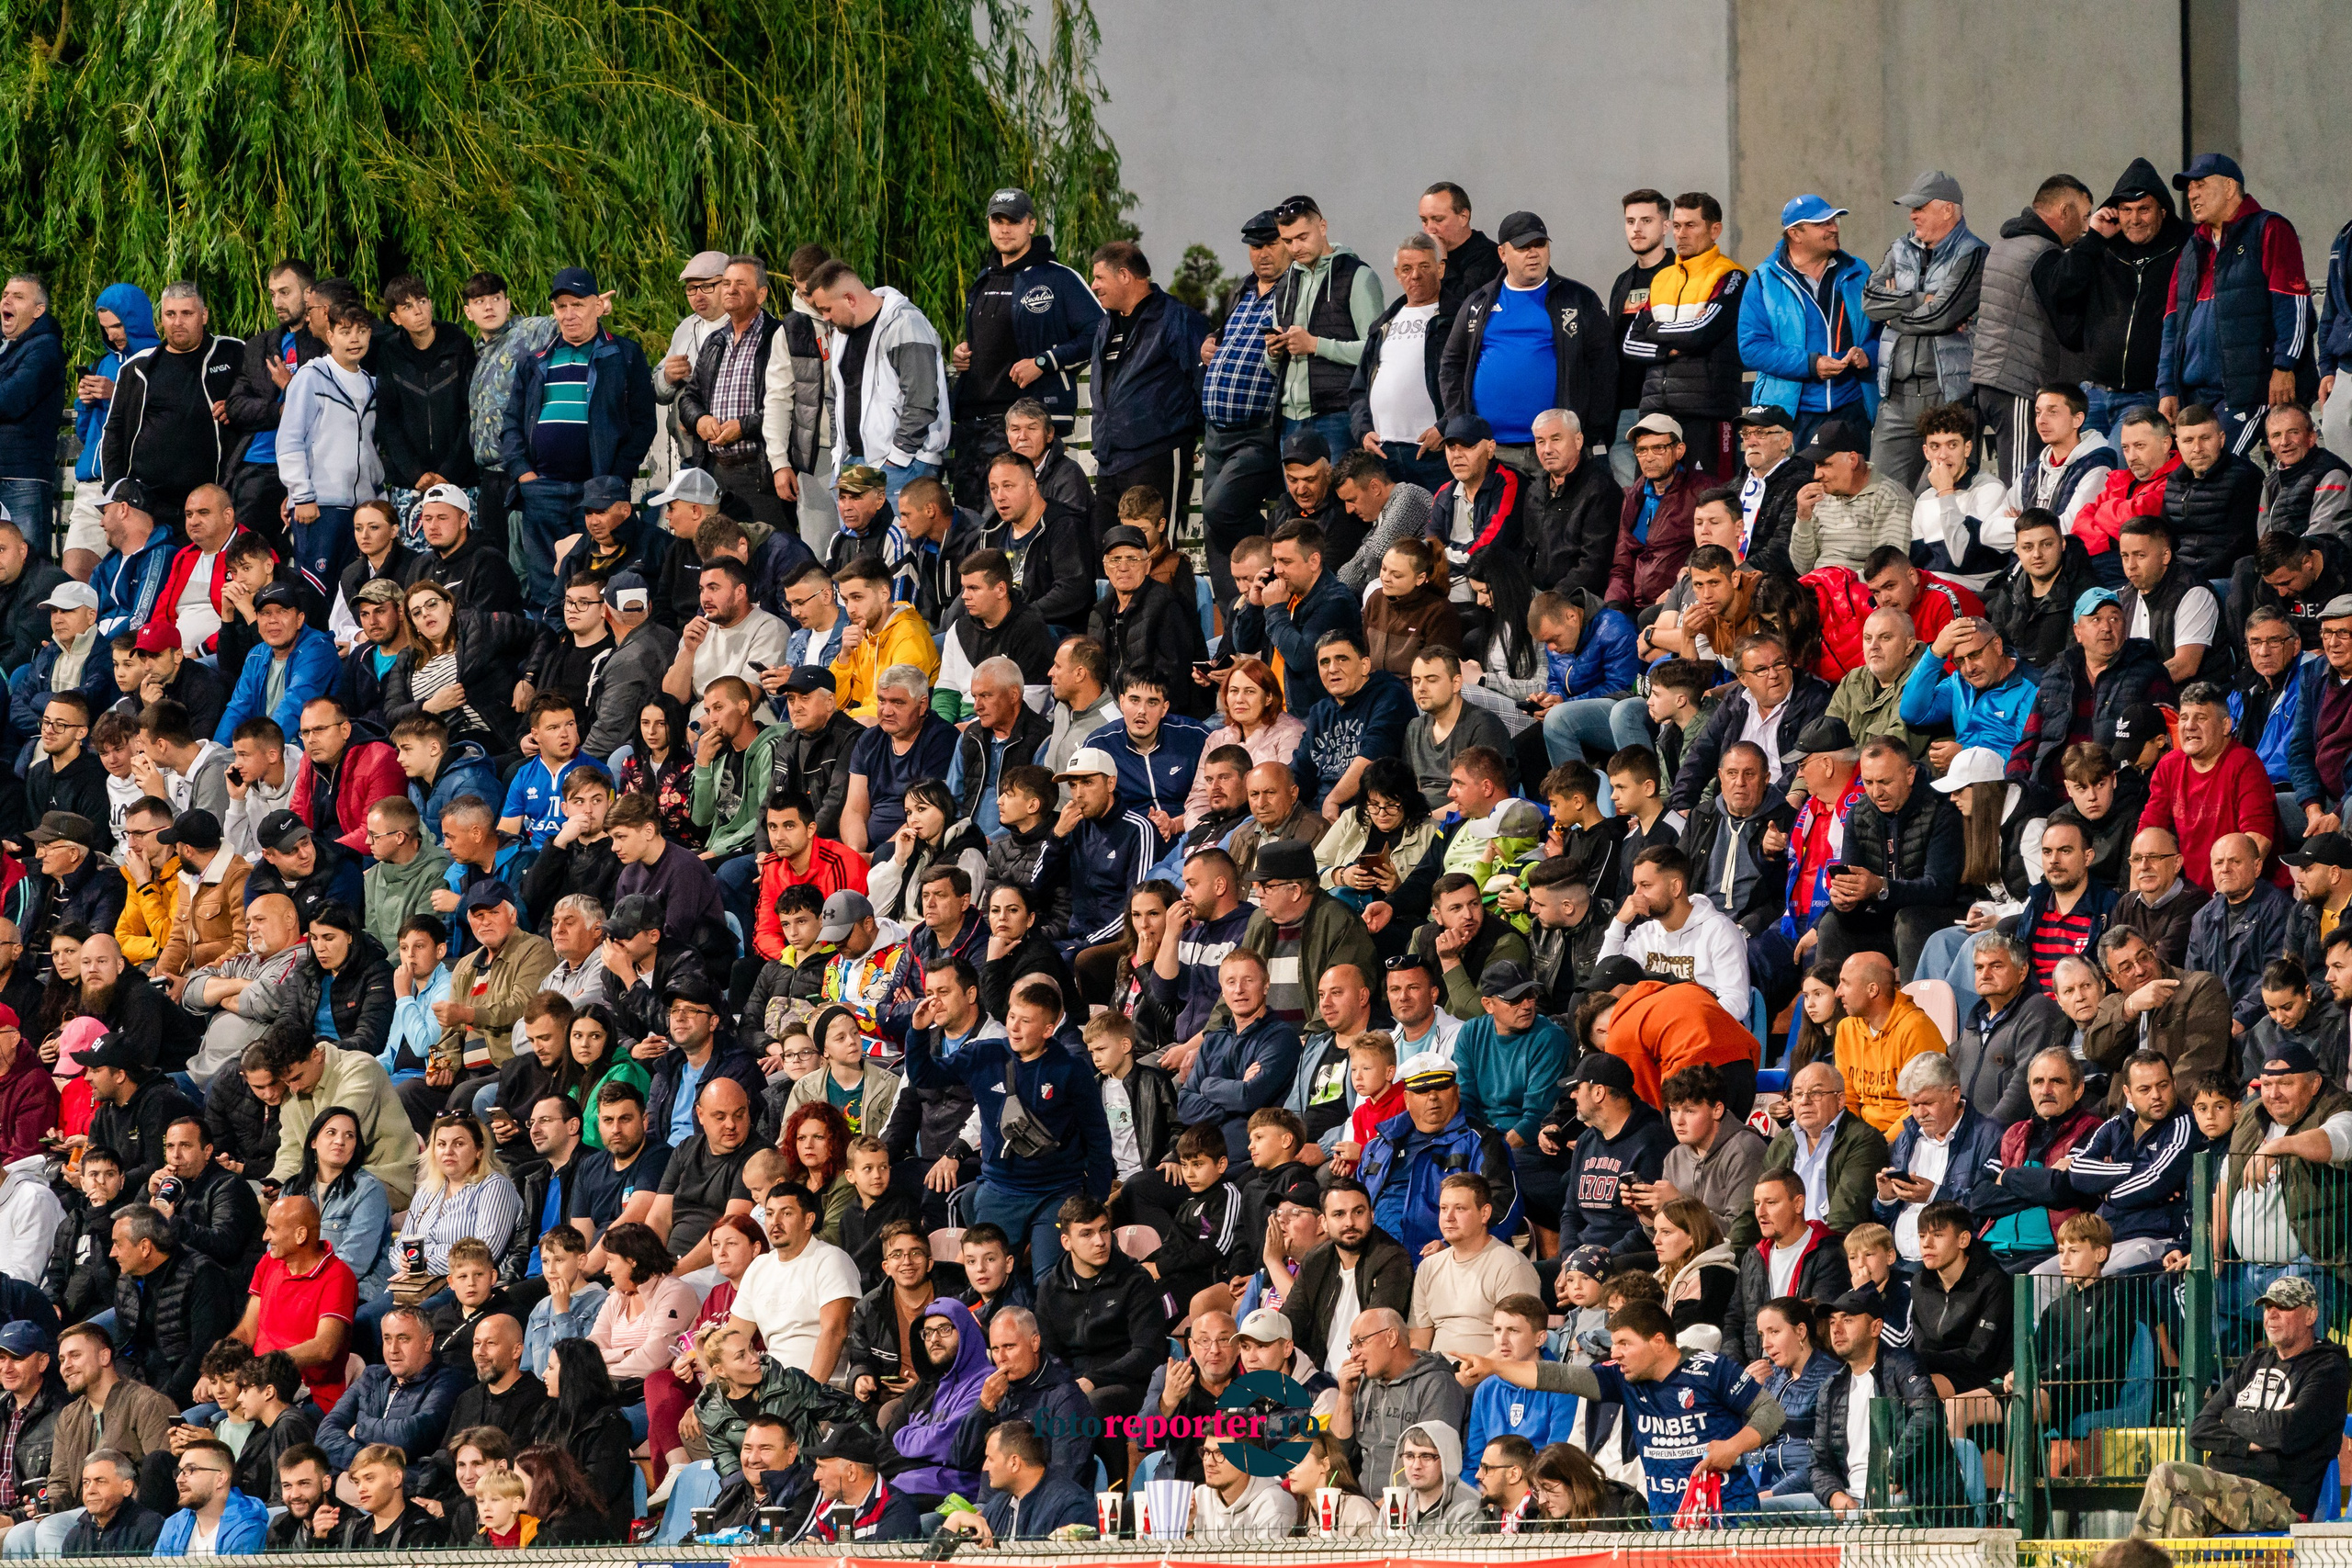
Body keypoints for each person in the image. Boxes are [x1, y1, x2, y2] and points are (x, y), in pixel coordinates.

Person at [2133, 1274, 2349, 1538]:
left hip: (2279, 1499)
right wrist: (2248, 1441)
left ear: (2310, 1316)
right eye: (2268, 1307)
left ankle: (2129, 1559)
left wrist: (2231, 1415)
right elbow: (2199, 1429)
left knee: (2167, 1474)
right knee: (2183, 1509)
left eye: (2284, 1306)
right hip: (2227, 1488)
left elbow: (2285, 1432)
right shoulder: (2253, 1363)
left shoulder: (2327, 1369)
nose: (2272, 1315)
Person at [1437, 209, 1614, 463]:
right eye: (1522, 247)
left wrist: (1589, 431)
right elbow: (1451, 364)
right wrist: (1461, 422)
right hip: (1492, 451)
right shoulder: (1479, 302)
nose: (1533, 253)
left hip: (1557, 452)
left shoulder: (1578, 299)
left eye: (1539, 244)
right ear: (1502, 254)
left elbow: (1604, 368)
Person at [1863, 171, 1987, 491]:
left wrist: (1894, 318)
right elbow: (1869, 300)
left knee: (1948, 497)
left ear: (1948, 210)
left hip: (1948, 398)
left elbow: (1942, 316)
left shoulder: (1973, 254)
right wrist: (1918, 299)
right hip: (1896, 399)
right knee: (1881, 496)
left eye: (1920, 207)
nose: (1912, 215)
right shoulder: (1899, 248)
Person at [1083, 243, 1210, 534]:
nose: (1094, 286)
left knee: (1154, 553)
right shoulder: (1105, 325)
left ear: (1125, 275)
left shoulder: (1177, 319)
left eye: (1099, 278)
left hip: (1156, 456)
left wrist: (1189, 437)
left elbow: (1206, 380)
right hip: (1108, 461)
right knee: (1108, 554)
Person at [800, 261, 951, 502]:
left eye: (827, 309)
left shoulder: (905, 324)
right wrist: (839, 451)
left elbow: (921, 399)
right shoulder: (842, 332)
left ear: (850, 298)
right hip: (854, 463)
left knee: (898, 540)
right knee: (857, 539)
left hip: (903, 466)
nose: (826, 318)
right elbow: (835, 396)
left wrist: (897, 458)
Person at [97, 282, 243, 530]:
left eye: (187, 313)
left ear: (204, 315)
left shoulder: (233, 354)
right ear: (160, 318)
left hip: (213, 501)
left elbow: (260, 402)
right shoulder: (138, 368)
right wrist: (115, 492)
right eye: (170, 314)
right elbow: (114, 433)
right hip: (147, 503)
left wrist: (239, 406)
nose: (177, 322)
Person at [1804, 1285, 1956, 1522]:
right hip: (1849, 1500)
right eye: (1833, 1322)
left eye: (1848, 1320)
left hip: (1902, 1497)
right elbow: (1819, 1463)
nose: (1837, 1329)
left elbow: (1928, 1415)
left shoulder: (1902, 1365)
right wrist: (1834, 1495)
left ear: (1875, 1327)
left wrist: (1890, 1475)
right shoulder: (1831, 1388)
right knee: (1763, 1510)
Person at [1739, 195, 1879, 444]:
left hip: (1853, 408)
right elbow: (1752, 348)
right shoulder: (1763, 280)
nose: (1833, 228)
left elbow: (1883, 333)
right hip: (1792, 416)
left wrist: (1868, 354)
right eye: (1822, 224)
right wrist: (1810, 364)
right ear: (1795, 234)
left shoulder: (1859, 272)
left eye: (1834, 221)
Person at [2162, 404, 2265, 585]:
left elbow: (2241, 545)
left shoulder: (2245, 477)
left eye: (2205, 438)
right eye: (2188, 441)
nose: (2197, 448)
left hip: (2225, 579)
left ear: (2222, 439)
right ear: (2178, 444)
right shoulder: (2174, 483)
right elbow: (2165, 539)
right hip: (2182, 579)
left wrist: (2193, 580)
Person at [153, 1434, 268, 1555]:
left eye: (190, 1470)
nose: (179, 1479)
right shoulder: (173, 1525)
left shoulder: (248, 1527)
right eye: (180, 1471)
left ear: (220, 1479)